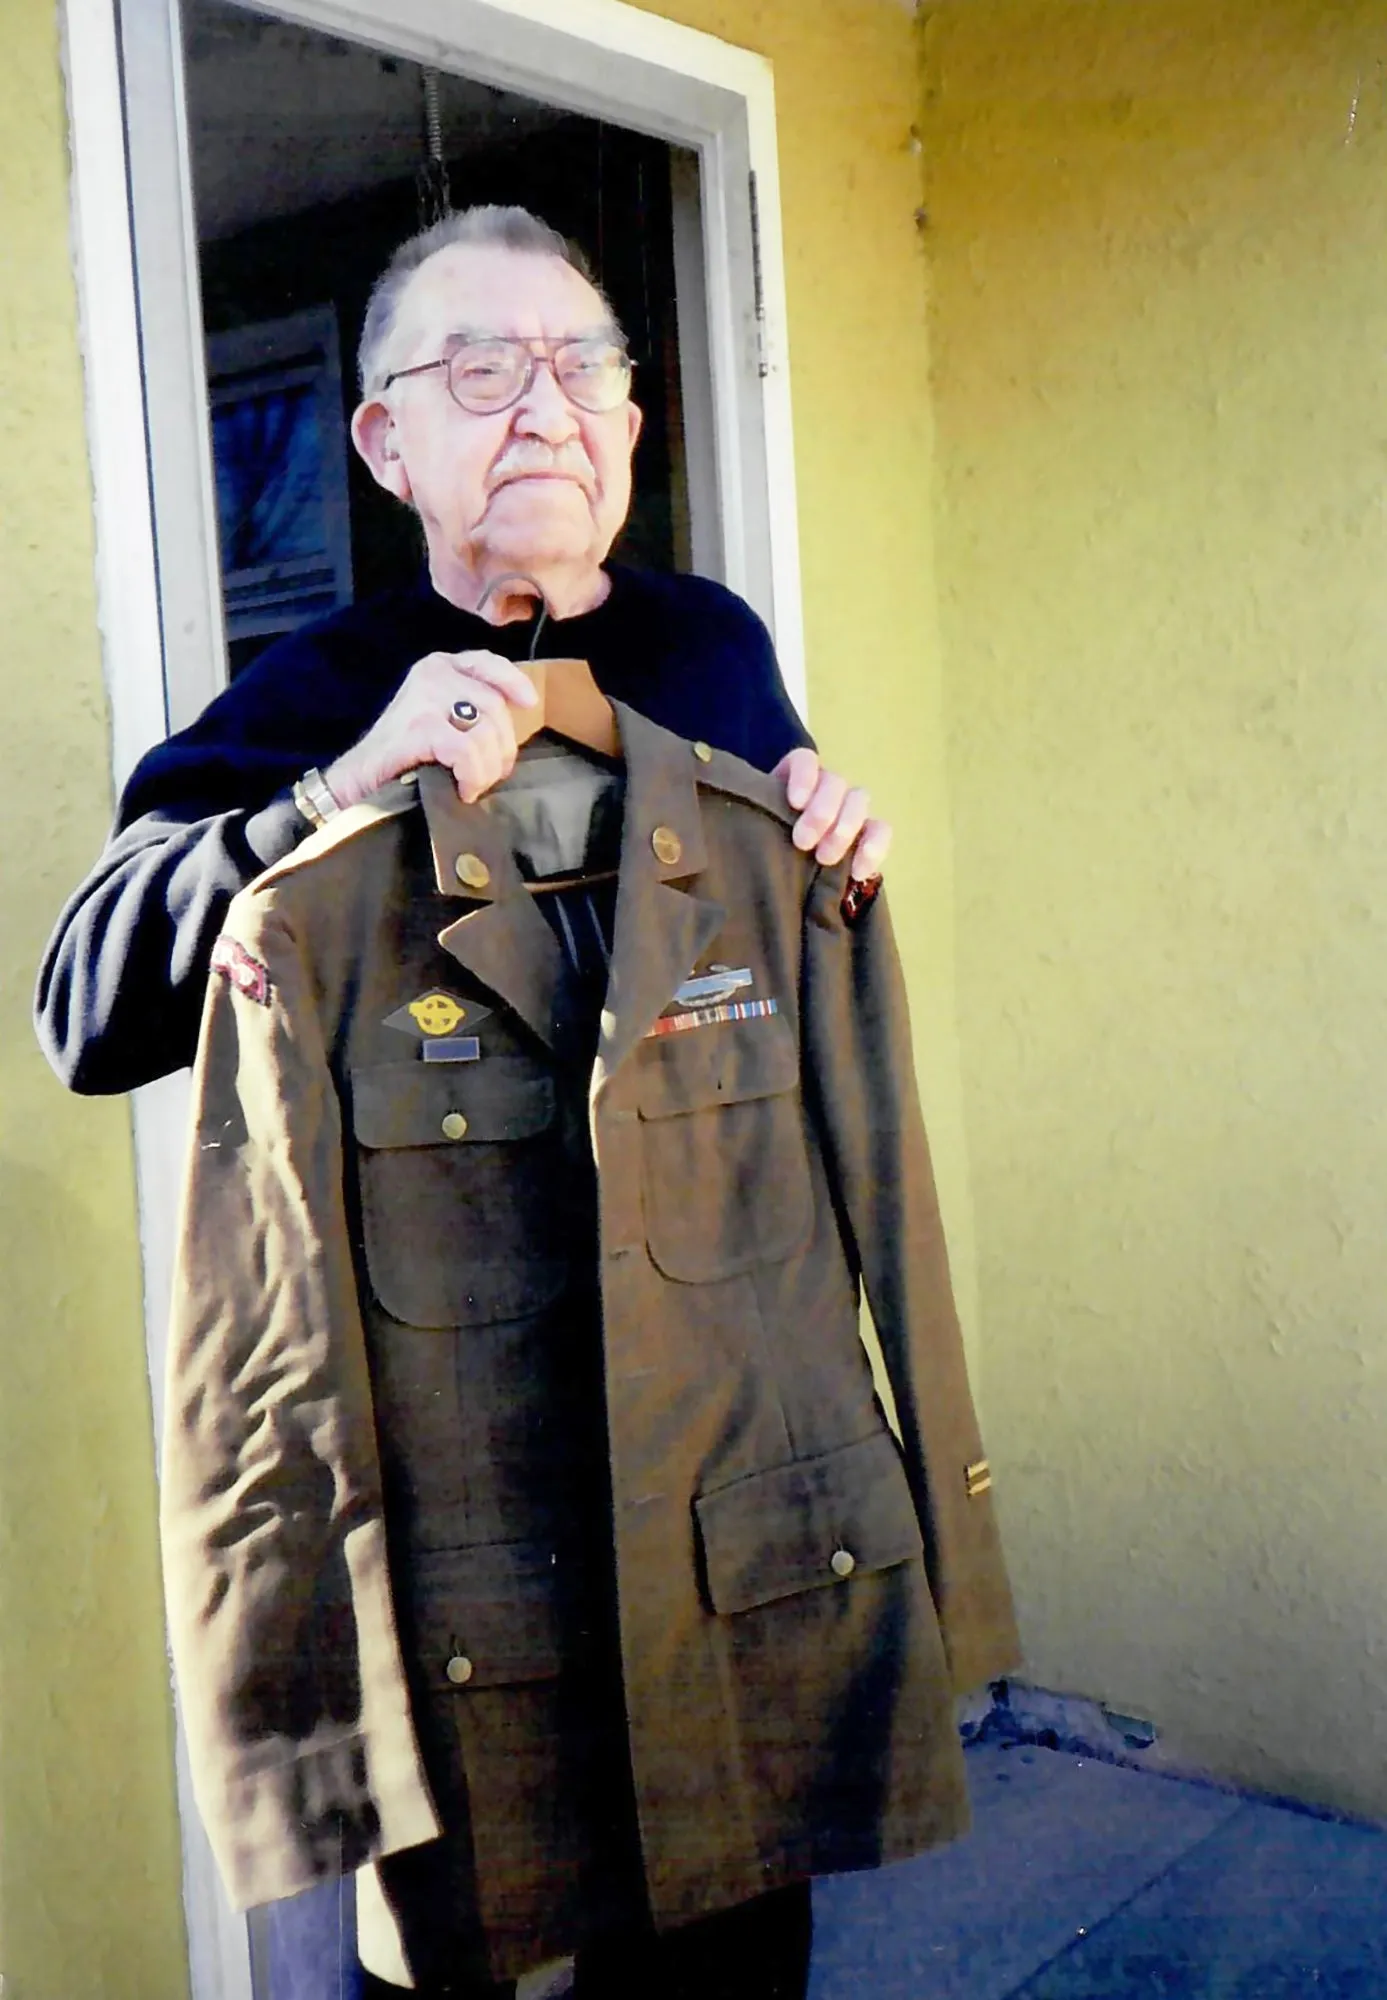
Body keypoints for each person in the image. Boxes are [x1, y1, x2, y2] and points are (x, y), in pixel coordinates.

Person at [35, 203, 890, 1098]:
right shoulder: (319, 685)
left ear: (626, 434)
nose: (549, 418)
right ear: (386, 443)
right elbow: (88, 1020)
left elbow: (792, 982)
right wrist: (337, 794)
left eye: (584, 371)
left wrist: (838, 859)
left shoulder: (711, 641)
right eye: (485, 372)